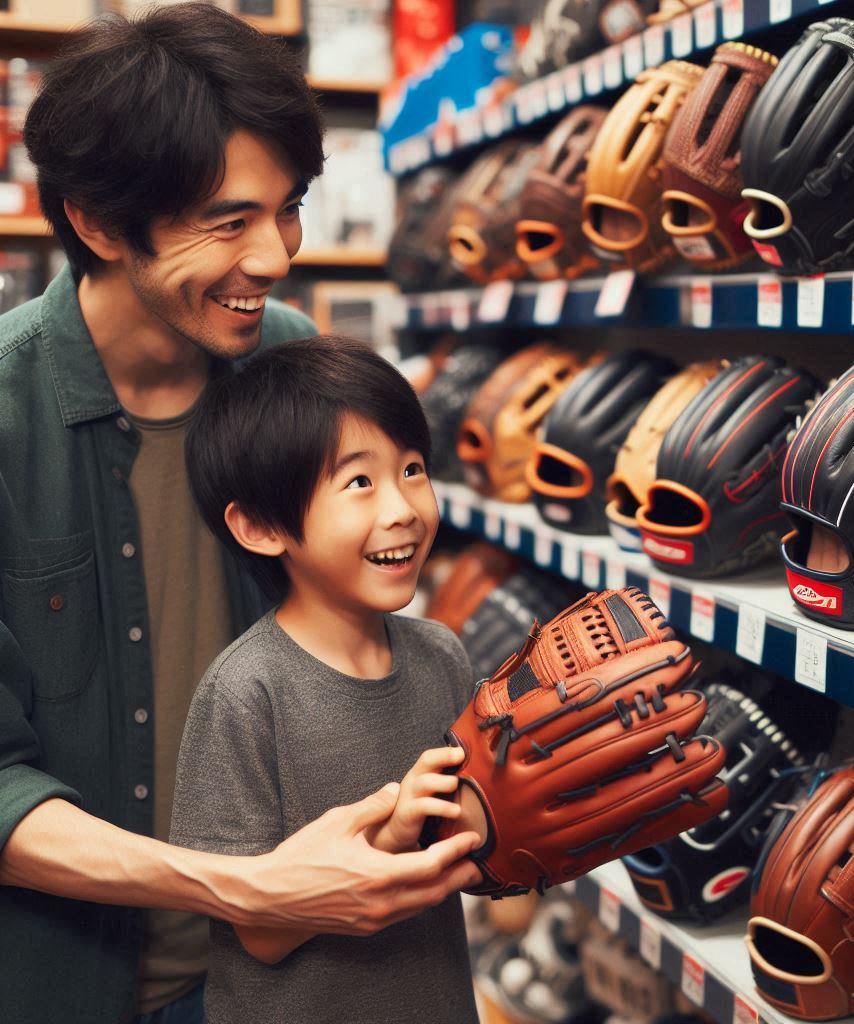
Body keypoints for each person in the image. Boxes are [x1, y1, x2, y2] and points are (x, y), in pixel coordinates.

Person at [0, 6, 480, 1024]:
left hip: (299, 979)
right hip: (72, 984)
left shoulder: (295, 372)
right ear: (93, 219)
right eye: (228, 221)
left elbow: (361, 647)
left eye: (288, 207)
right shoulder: (5, 418)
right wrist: (249, 884)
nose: (273, 255)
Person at [171, 335, 481, 1023]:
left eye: (412, 469)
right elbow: (257, 926)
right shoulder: (247, 692)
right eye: (360, 482)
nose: (401, 507)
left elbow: (475, 851)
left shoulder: (442, 655)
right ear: (258, 525)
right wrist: (391, 835)